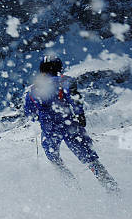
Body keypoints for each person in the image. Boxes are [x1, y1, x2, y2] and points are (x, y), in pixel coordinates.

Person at [24, 56, 119, 192]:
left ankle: (74, 189)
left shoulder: (33, 90)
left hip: (49, 129)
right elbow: (74, 98)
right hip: (70, 125)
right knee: (89, 158)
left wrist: (41, 116)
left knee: (54, 159)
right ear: (59, 67)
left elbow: (30, 114)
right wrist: (80, 114)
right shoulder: (65, 81)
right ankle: (111, 186)